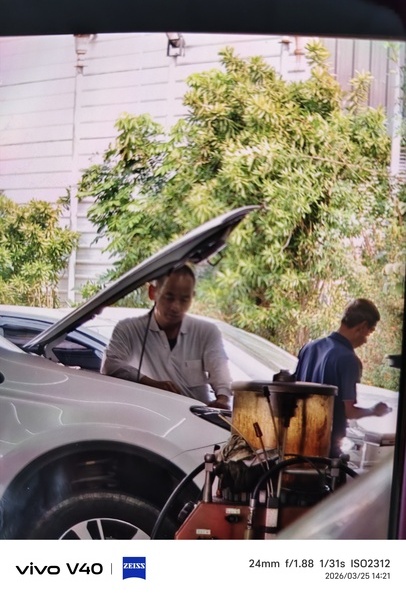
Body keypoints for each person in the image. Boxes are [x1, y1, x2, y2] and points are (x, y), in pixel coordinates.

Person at [101, 264, 232, 408]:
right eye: (169, 297)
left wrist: (222, 399)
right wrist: (150, 383)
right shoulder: (128, 329)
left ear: (192, 297)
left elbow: (221, 373)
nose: (176, 307)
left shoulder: (206, 332)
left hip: (195, 418)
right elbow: (110, 365)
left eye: (184, 299)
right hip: (150, 416)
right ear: (153, 292)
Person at [294, 298, 392, 458]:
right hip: (325, 449)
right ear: (362, 327)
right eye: (370, 333)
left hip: (297, 442)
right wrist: (374, 411)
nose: (366, 341)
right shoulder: (348, 360)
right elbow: (349, 411)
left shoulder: (309, 348)